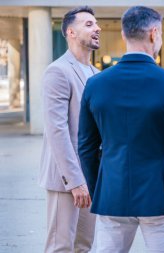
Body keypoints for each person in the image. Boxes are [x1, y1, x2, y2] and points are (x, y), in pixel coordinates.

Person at [77, 6, 164, 253]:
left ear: (124, 35)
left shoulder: (95, 84)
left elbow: (86, 147)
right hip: (160, 196)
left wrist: (98, 189)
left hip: (112, 193)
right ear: (154, 34)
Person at [39, 6, 101, 253]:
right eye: (88, 24)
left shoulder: (97, 75)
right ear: (71, 33)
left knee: (84, 246)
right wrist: (74, 181)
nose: (97, 28)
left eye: (96, 24)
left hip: (91, 176)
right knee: (61, 247)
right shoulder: (58, 71)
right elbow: (57, 131)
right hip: (65, 180)